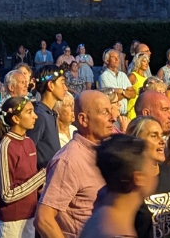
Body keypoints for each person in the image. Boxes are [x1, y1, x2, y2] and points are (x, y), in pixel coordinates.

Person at [37, 90, 114, 238]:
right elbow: (44, 219)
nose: (113, 118)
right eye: (105, 112)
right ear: (83, 119)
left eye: (111, 111)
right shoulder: (68, 161)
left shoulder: (105, 151)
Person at [79, 134, 158, 238]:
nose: (156, 171)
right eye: (151, 164)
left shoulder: (97, 218)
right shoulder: (119, 233)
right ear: (139, 178)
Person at [0, 96, 45, 238]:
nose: (35, 116)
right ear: (16, 119)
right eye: (29, 112)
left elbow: (32, 181)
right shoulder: (6, 145)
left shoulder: (29, 142)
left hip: (30, 217)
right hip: (11, 224)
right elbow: (6, 195)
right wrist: (41, 177)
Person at [26, 66, 68, 168]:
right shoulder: (39, 116)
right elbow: (28, 152)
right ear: (51, 85)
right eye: (62, 83)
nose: (66, 88)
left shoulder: (51, 113)